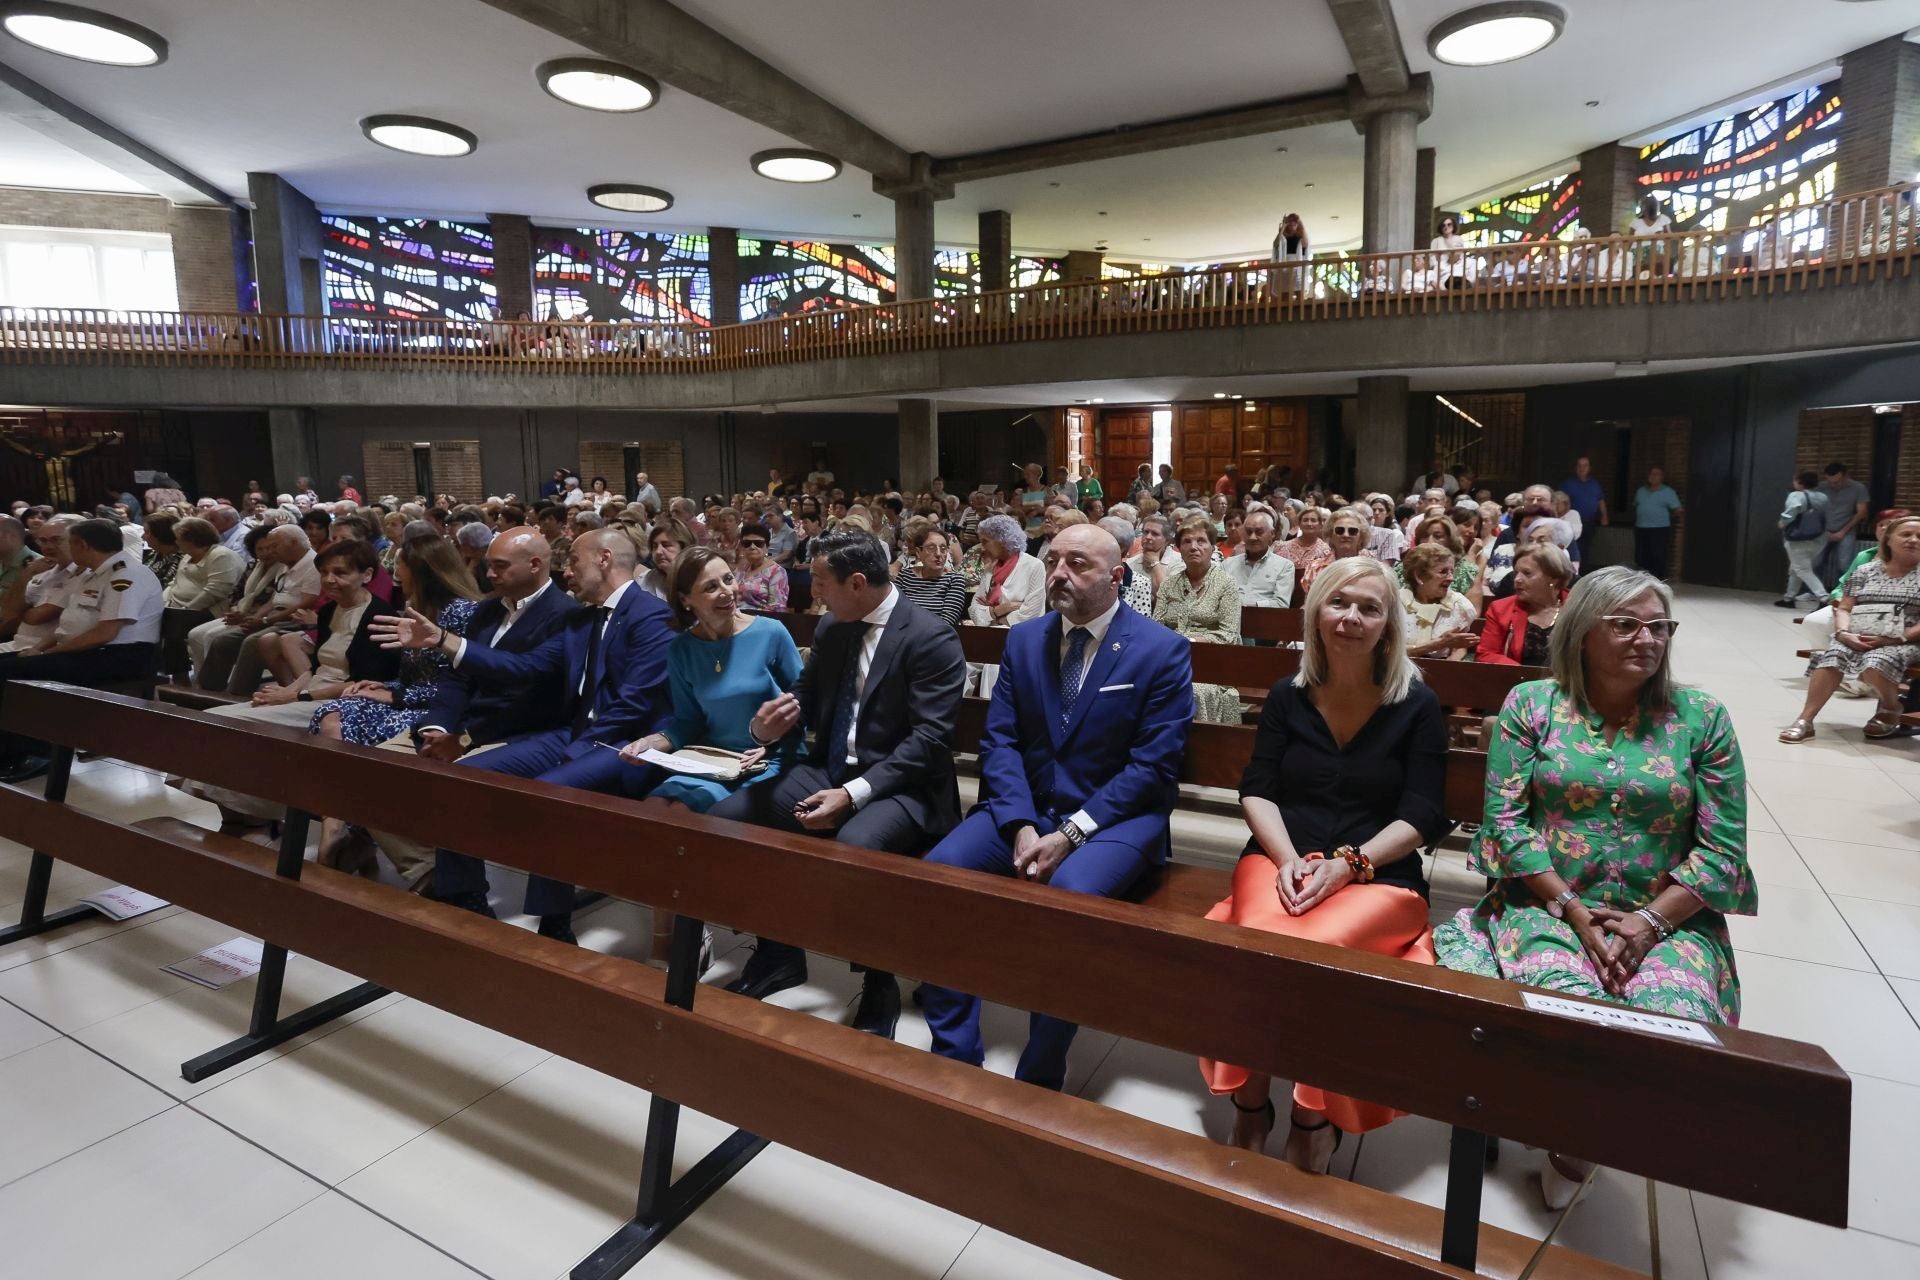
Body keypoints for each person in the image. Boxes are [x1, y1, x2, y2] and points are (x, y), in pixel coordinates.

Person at [1435, 566, 1751, 1210]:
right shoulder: (1533, 706)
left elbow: (1722, 851)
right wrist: (1575, 912)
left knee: (1669, 1026)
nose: (1649, 638)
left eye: (1660, 625)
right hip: (1544, 901)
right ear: (1582, 633)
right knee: (1563, 1010)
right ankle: (1569, 1133)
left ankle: (1576, 1145)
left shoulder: (1702, 718)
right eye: (1628, 624)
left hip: (1667, 914)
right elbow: (1507, 827)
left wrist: (1649, 924)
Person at [921, 524, 1193, 1090]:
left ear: (1117, 576)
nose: (1060, 574)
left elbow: (1151, 768)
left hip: (1114, 817)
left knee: (1069, 898)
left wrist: (1071, 832)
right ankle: (954, 1051)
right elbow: (1000, 742)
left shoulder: (1160, 649)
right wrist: (1019, 821)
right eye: (1053, 561)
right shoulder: (1025, 640)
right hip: (1030, 808)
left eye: (1079, 564)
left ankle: (1042, 1067)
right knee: (941, 874)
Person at [1199, 557, 1446, 1167]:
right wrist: (1285, 860)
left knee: (1323, 950)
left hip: (1378, 874)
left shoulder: (1416, 703)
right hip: (1280, 859)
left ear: (1389, 624)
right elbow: (1257, 788)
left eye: (1369, 607)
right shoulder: (1289, 695)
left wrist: (1349, 864)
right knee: (1259, 939)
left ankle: (1312, 1109)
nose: (1352, 618)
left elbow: (1423, 813)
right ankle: (1253, 1099)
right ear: (1316, 614)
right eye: (1339, 604)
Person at [711, 530, 967, 1039]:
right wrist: (769, 724)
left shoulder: (930, 636)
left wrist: (853, 794)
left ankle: (878, 980)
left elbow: (929, 742)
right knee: (726, 821)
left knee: (855, 846)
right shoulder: (833, 626)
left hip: (903, 785)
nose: (815, 592)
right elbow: (804, 693)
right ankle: (779, 952)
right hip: (830, 769)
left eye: (822, 582)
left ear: (856, 582)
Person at [373, 528, 675, 944]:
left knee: (549, 790)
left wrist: (577, 749)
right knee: (460, 778)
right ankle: (466, 896)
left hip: (626, 740)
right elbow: (524, 668)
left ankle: (554, 923)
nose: (566, 572)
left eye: (574, 561)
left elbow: (633, 706)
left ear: (604, 560)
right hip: (576, 732)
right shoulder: (582, 617)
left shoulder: (650, 615)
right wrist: (444, 641)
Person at [619, 548, 804, 962]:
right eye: (710, 587)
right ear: (686, 600)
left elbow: (805, 706)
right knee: (653, 816)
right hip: (711, 758)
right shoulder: (682, 649)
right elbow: (686, 723)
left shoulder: (770, 633)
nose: (726, 592)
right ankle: (675, 927)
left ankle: (679, 935)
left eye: (728, 580)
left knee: (685, 823)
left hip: (766, 758)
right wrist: (655, 741)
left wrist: (773, 744)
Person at [170, 540, 402, 837]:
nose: (330, 580)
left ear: (367, 575)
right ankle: (234, 813)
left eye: (341, 573)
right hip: (311, 692)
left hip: (341, 705)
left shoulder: (379, 617)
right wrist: (285, 691)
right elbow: (317, 668)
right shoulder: (332, 609)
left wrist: (293, 696)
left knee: (234, 725)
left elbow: (362, 685)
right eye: (325, 572)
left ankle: (255, 816)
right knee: (210, 717)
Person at [0, 518, 163, 780]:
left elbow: (105, 632)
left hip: (120, 657)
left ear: (82, 545)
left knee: (11, 674)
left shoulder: (126, 574)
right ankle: (12, 749)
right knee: (8, 665)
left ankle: (37, 754)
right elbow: (70, 625)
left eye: (67, 542)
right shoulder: (93, 574)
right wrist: (41, 648)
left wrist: (49, 655)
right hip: (88, 652)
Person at [1781, 514, 1920, 743]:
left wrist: (1896, 639)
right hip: (1858, 634)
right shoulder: (1865, 571)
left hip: (1906, 640)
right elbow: (1845, 608)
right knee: (1832, 656)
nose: (1913, 540)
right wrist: (1844, 633)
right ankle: (1805, 720)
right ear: (1889, 540)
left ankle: (1891, 706)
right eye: (1906, 534)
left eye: (1919, 536)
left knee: (1876, 661)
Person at [187, 525, 321, 695]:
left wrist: (265, 621)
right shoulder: (285, 563)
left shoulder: (313, 564)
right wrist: (255, 619)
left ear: (293, 543)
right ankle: (207, 692)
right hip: (274, 615)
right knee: (222, 641)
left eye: (275, 546)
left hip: (293, 620)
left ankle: (237, 694)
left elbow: (306, 603)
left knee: (253, 642)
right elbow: (275, 598)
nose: (272, 551)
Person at [1154, 515, 1244, 723]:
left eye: (1201, 541)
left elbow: (1229, 635)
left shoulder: (1226, 584)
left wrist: (1189, 641)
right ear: (1179, 548)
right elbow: (1156, 627)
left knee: (1192, 691)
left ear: (1213, 547)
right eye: (1186, 542)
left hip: (1213, 663)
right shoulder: (1169, 584)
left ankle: (1202, 748)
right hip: (1171, 659)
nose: (1194, 547)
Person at [159, 516, 244, 684]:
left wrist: (186, 610)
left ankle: (184, 679)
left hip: (211, 610)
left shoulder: (220, 555)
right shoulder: (187, 556)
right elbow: (174, 583)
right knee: (159, 622)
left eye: (179, 538)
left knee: (171, 629)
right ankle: (176, 675)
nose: (176, 541)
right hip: (179, 608)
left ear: (192, 539)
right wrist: (162, 603)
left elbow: (216, 591)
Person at [1478, 543, 1571, 665]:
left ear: (1554, 578)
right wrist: (1523, 675)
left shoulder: (1577, 607)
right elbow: (1486, 654)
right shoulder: (1501, 609)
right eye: (1516, 572)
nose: (1517, 579)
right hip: (1517, 681)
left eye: (1527, 573)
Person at [1397, 542, 1478, 659]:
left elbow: (1459, 651)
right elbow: (1386, 653)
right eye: (1443, 572)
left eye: (1451, 571)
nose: (1451, 578)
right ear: (1419, 576)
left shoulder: (1460, 606)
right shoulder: (1394, 603)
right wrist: (1438, 644)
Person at [968, 514, 1045, 627]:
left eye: (985, 542)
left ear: (1003, 540)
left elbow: (1031, 614)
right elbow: (974, 611)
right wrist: (1002, 609)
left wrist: (993, 617)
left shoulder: (1034, 565)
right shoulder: (990, 568)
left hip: (1022, 637)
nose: (982, 548)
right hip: (990, 636)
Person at [895, 523, 970, 625]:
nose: (939, 554)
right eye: (931, 548)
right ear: (918, 552)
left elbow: (947, 622)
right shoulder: (905, 575)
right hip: (903, 635)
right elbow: (894, 612)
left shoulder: (954, 579)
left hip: (936, 637)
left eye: (943, 549)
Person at [1222, 508, 1295, 612]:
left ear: (1272, 534)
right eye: (1248, 532)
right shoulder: (1227, 565)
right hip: (1228, 623)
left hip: (1265, 622)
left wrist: (1249, 606)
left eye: (1259, 532)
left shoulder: (1284, 566)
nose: (1252, 537)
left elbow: (1281, 604)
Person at [1776, 470, 1831, 608]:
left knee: (1803, 570)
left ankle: (1824, 598)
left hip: (1798, 538)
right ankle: (1789, 598)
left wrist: (1783, 521)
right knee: (1796, 568)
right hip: (1819, 538)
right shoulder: (1823, 497)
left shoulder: (1796, 495)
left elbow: (1793, 509)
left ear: (1799, 482)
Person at [1815, 462, 1871, 589]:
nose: (1834, 485)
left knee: (1844, 564)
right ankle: (1815, 592)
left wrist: (1843, 531)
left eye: (1838, 481)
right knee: (1815, 563)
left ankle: (1841, 591)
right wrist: (1823, 531)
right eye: (1831, 482)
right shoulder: (1821, 488)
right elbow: (1814, 512)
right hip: (1823, 531)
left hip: (1846, 530)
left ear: (1846, 476)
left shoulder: (1858, 488)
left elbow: (1861, 513)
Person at [1631, 467, 1683, 580]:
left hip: (1660, 528)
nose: (1653, 476)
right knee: (1640, 555)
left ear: (1662, 477)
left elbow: (1678, 510)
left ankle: (1657, 580)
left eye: (1656, 474)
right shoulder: (1641, 491)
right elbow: (1636, 506)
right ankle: (1642, 580)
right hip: (1641, 527)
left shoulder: (1668, 492)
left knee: (1657, 555)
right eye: (1651, 473)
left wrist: (1664, 516)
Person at [1561, 456, 1608, 561]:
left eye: (1585, 465)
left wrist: (1604, 516)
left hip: (1589, 522)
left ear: (1589, 468)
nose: (1582, 468)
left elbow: (1600, 500)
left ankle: (1583, 573)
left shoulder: (1595, 484)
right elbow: (1560, 502)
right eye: (1579, 466)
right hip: (1572, 522)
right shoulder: (1567, 484)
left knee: (1586, 549)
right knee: (1573, 548)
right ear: (1575, 468)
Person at [734, 522, 789, 611]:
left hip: (759, 619)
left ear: (767, 546)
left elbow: (777, 607)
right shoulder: (740, 569)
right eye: (747, 543)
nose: (752, 547)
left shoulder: (777, 572)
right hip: (734, 617)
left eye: (758, 543)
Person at [1277, 505, 1334, 590]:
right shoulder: (1283, 547)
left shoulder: (1326, 551)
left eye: (1313, 520)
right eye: (1305, 520)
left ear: (1320, 525)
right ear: (1299, 523)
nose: (1309, 523)